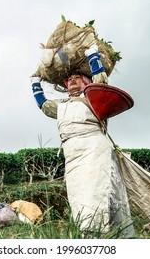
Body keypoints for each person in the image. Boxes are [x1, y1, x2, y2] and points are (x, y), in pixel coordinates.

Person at [30, 45, 135, 238]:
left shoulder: (92, 98)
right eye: (69, 79)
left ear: (85, 80)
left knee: (98, 190)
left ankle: (115, 237)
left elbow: (101, 81)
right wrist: (35, 84)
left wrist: (93, 56)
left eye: (76, 78)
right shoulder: (61, 106)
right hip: (72, 154)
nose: (71, 81)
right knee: (79, 194)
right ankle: (91, 236)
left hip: (94, 148)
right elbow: (43, 105)